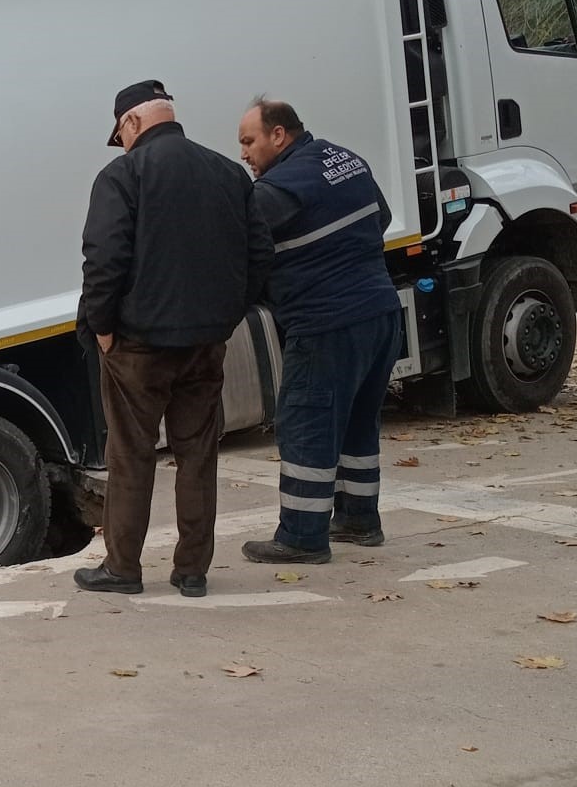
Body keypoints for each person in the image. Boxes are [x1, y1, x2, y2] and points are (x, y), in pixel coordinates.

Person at [75, 80, 273, 598]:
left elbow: (104, 260)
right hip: (206, 343)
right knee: (198, 454)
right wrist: (226, 317)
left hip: (136, 347)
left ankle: (122, 569)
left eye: (121, 133)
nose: (123, 144)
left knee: (130, 454)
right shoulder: (228, 173)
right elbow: (259, 256)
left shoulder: (123, 175)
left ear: (133, 123)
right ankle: (191, 571)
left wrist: (102, 328)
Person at [236, 97, 403, 564]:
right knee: (355, 423)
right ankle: (359, 519)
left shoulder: (280, 186)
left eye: (249, 142)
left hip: (326, 323)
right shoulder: (345, 160)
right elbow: (382, 219)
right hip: (381, 314)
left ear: (278, 135)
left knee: (305, 423)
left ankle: (303, 536)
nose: (244, 154)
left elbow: (241, 242)